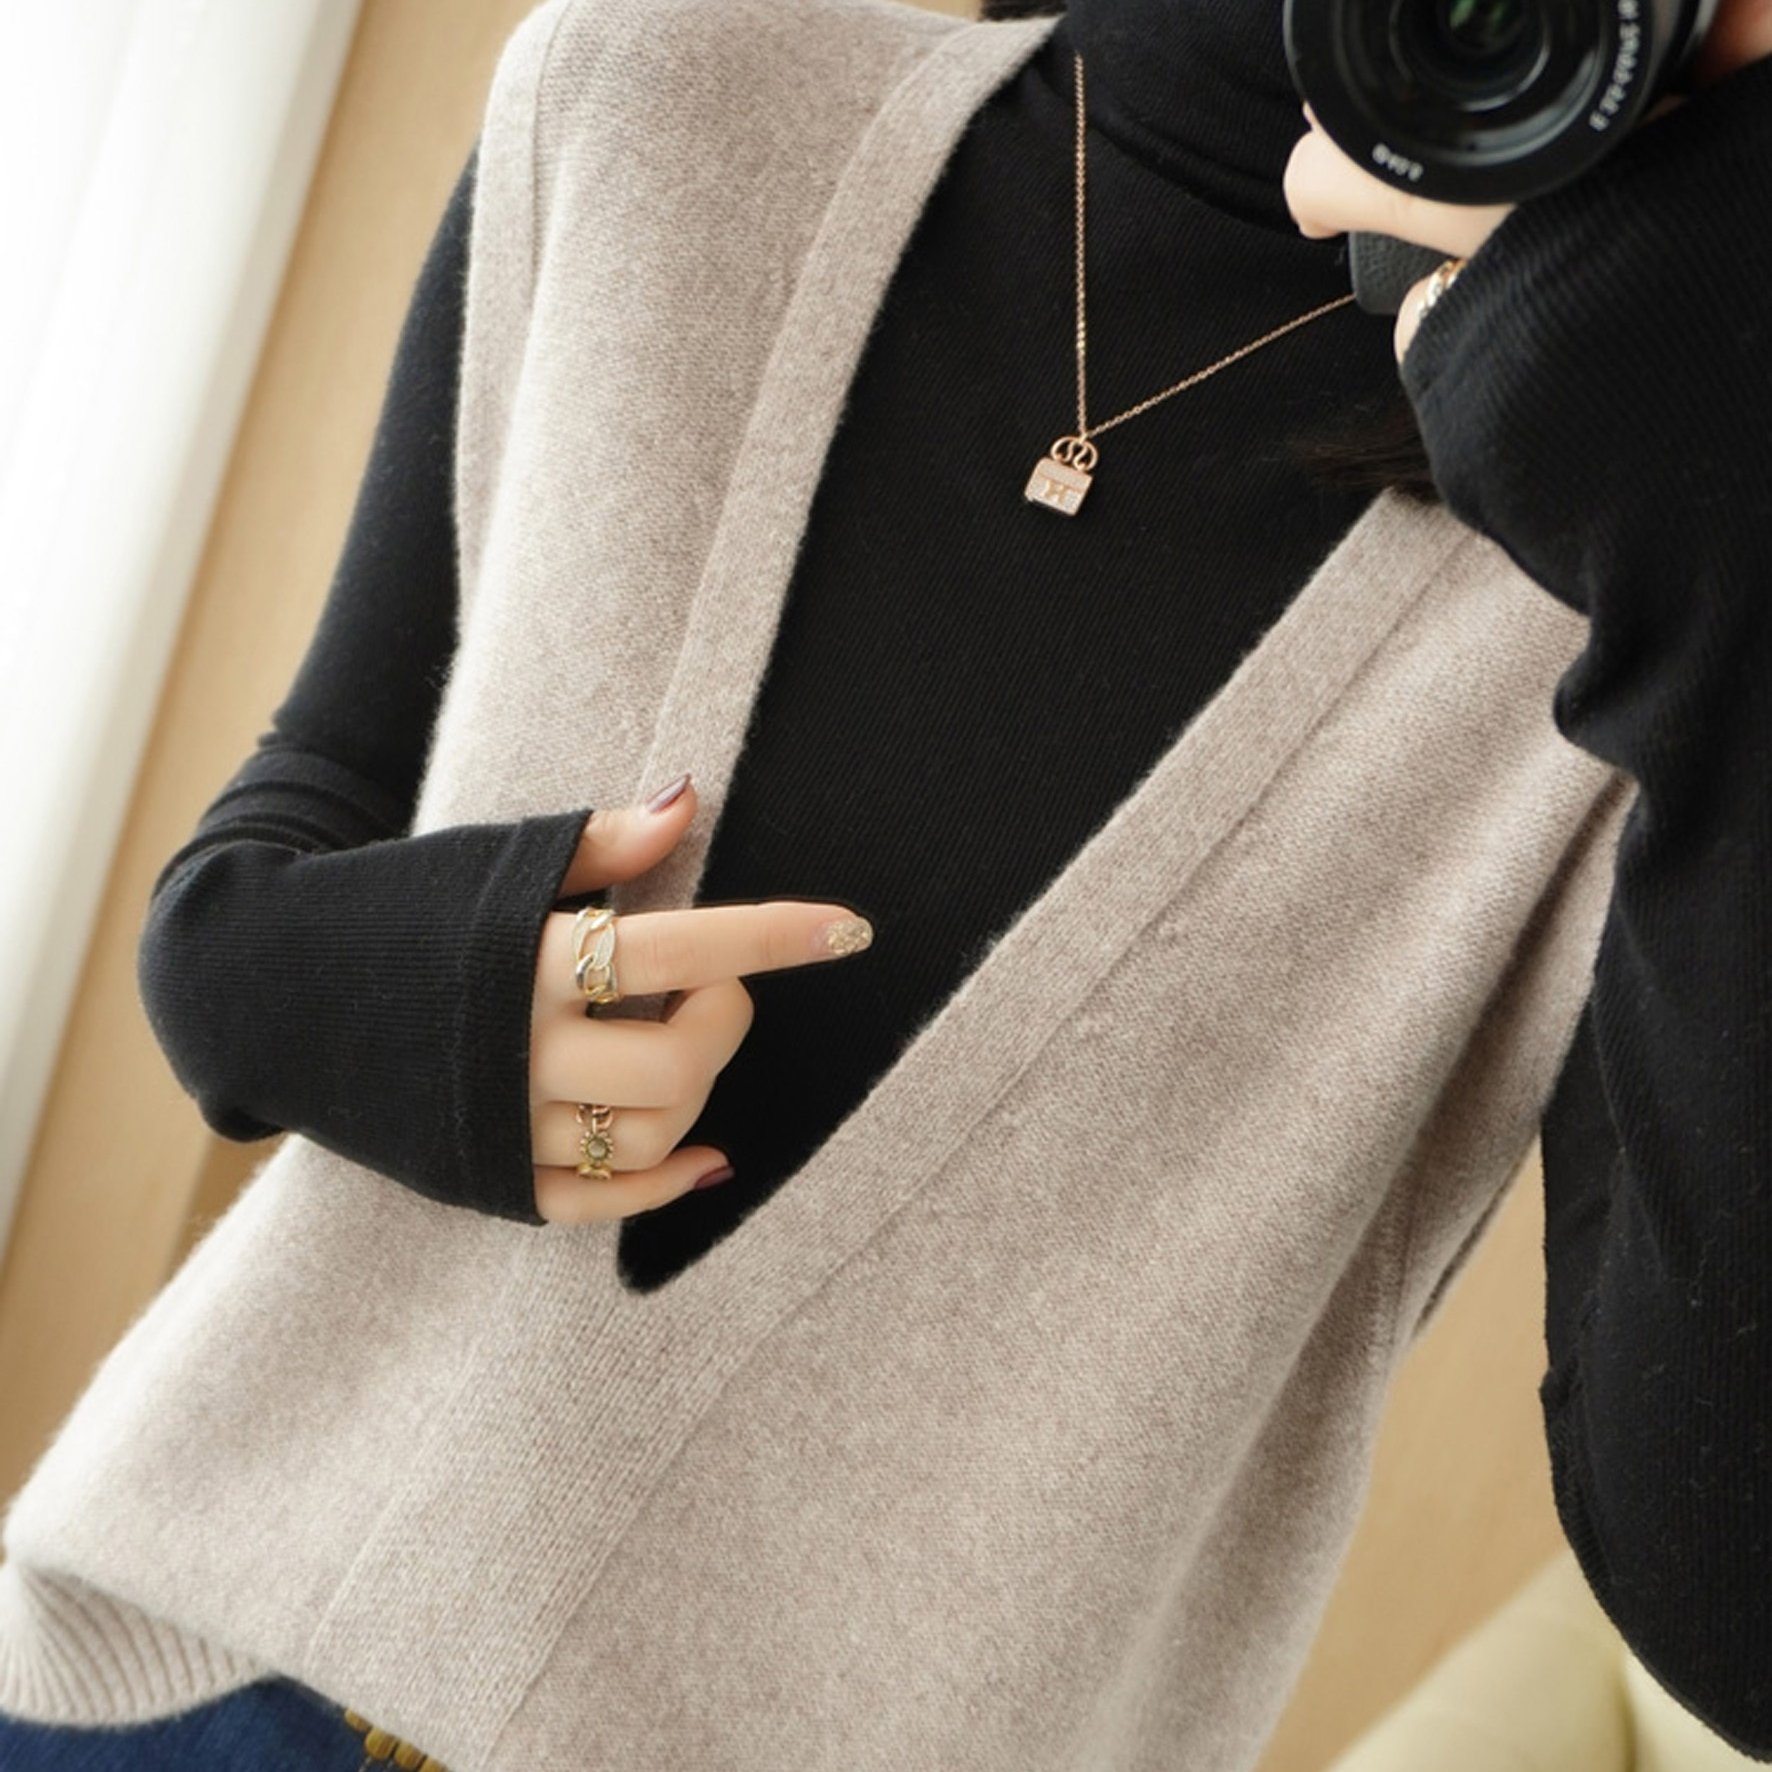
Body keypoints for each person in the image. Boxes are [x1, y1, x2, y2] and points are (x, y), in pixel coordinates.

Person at [1, 0, 1766, 1765]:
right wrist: (383, 997)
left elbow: (1728, 1617)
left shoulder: (1657, 516)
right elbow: (263, 872)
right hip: (185, 1674)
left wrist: (1713, 537)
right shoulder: (666, 100)